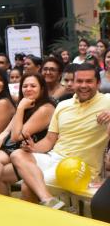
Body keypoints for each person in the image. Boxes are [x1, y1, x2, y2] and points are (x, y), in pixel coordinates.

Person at [10, 64, 110, 208]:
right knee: (17, 154)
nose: (83, 85)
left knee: (28, 187)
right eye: (79, 81)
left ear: (98, 83)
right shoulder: (63, 105)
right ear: (73, 83)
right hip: (54, 157)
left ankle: (46, 204)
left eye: (89, 81)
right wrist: (34, 147)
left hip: (79, 167)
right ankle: (48, 200)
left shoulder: (107, 100)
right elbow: (49, 140)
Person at [0, 72, 55, 195]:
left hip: (33, 154)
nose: (28, 89)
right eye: (25, 86)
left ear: (42, 89)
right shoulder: (27, 104)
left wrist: (20, 108)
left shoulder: (45, 108)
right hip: (16, 150)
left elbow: (15, 136)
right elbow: (6, 131)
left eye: (33, 86)